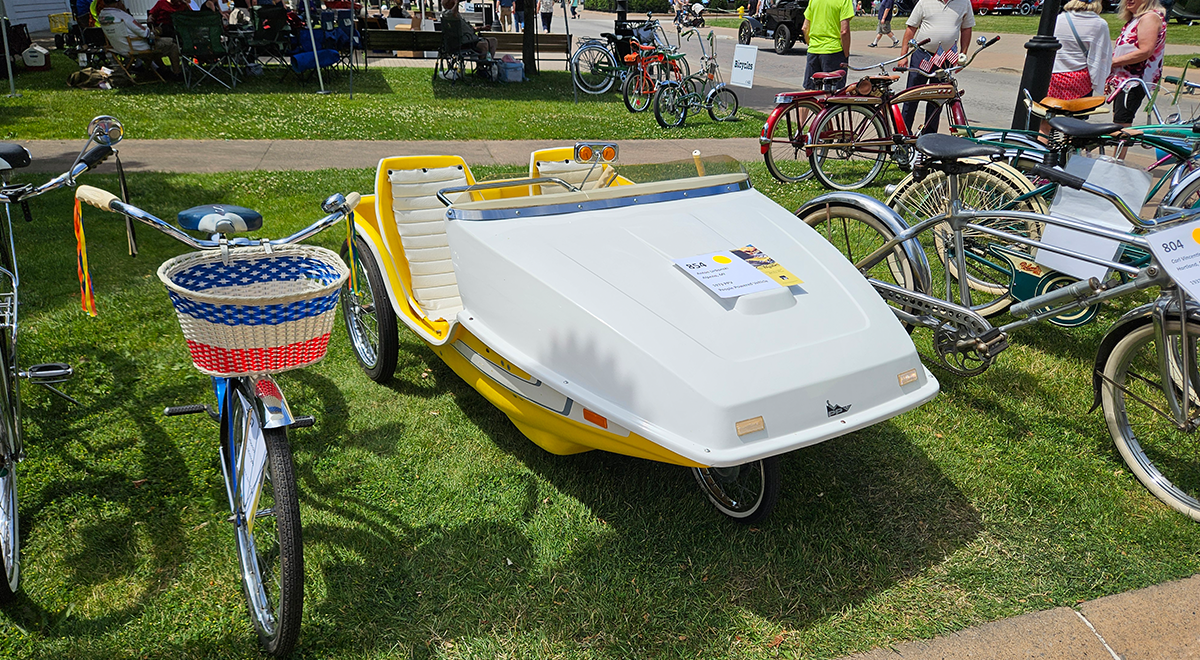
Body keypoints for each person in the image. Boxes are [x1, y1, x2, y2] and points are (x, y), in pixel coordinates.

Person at [898, 0, 974, 134]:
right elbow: (911, 28)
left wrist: (963, 54)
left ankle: (929, 136)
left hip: (945, 58)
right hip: (922, 55)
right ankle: (903, 134)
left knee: (937, 100)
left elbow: (966, 28)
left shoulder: (964, 3)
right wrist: (903, 55)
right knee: (911, 96)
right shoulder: (925, 2)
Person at [1107, 0, 1166, 126]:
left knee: (1122, 124)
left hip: (1135, 81)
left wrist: (1112, 62)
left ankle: (1123, 145)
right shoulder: (1138, 18)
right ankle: (1120, 145)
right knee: (1119, 121)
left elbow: (1145, 51)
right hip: (1126, 80)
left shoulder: (1149, 18)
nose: (1129, 0)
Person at [97, 0, 183, 77]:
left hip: (118, 47)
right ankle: (176, 73)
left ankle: (163, 70)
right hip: (136, 47)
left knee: (157, 43)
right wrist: (157, 31)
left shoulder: (102, 16)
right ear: (118, 3)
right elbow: (145, 33)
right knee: (172, 44)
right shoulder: (123, 16)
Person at [1048, 0, 1111, 100]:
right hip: (1080, 80)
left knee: (1051, 111)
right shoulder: (1100, 24)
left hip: (1055, 76)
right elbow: (1102, 57)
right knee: (1079, 113)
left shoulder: (1059, 19)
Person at [801, 0, 854, 96]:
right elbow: (844, 31)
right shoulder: (844, 1)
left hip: (813, 50)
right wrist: (846, 53)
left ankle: (805, 110)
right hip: (833, 50)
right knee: (832, 92)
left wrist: (811, 44)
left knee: (809, 91)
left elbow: (805, 28)